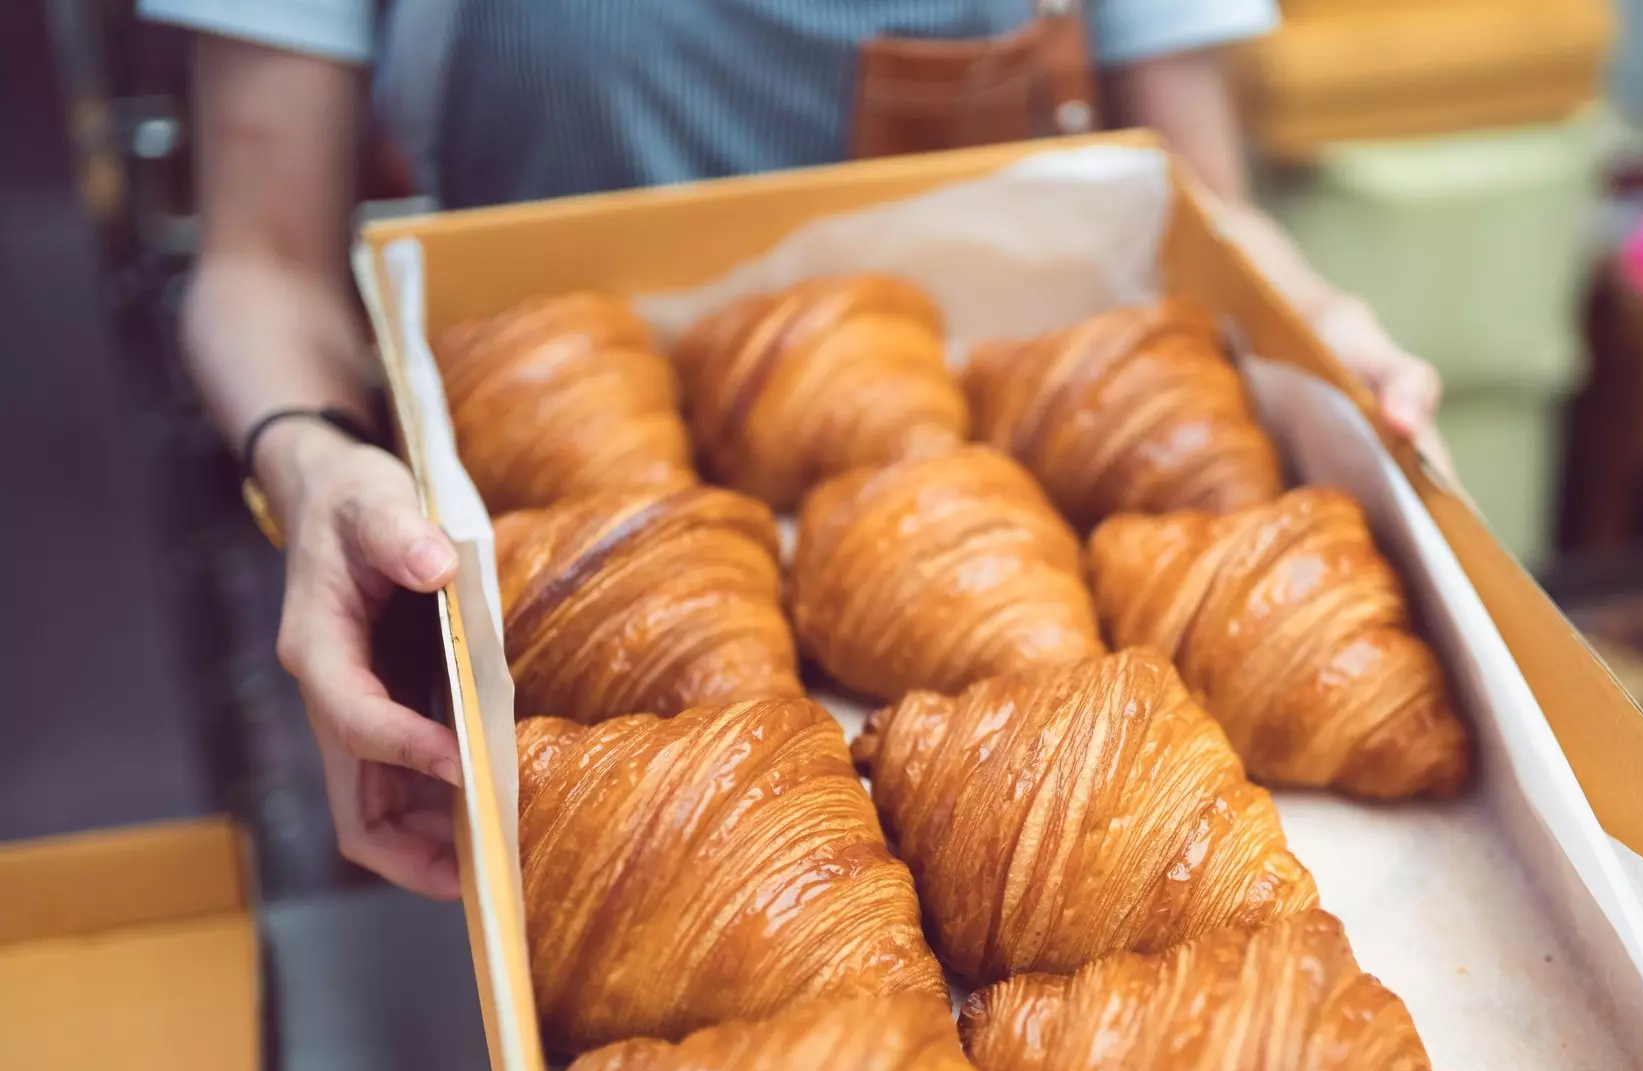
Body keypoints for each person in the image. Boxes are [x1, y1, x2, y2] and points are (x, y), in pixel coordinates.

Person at [148, 0, 1444, 899]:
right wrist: (311, 460)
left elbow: (1201, 199)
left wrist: (1318, 323)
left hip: (991, 458)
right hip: (550, 560)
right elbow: (261, 268)